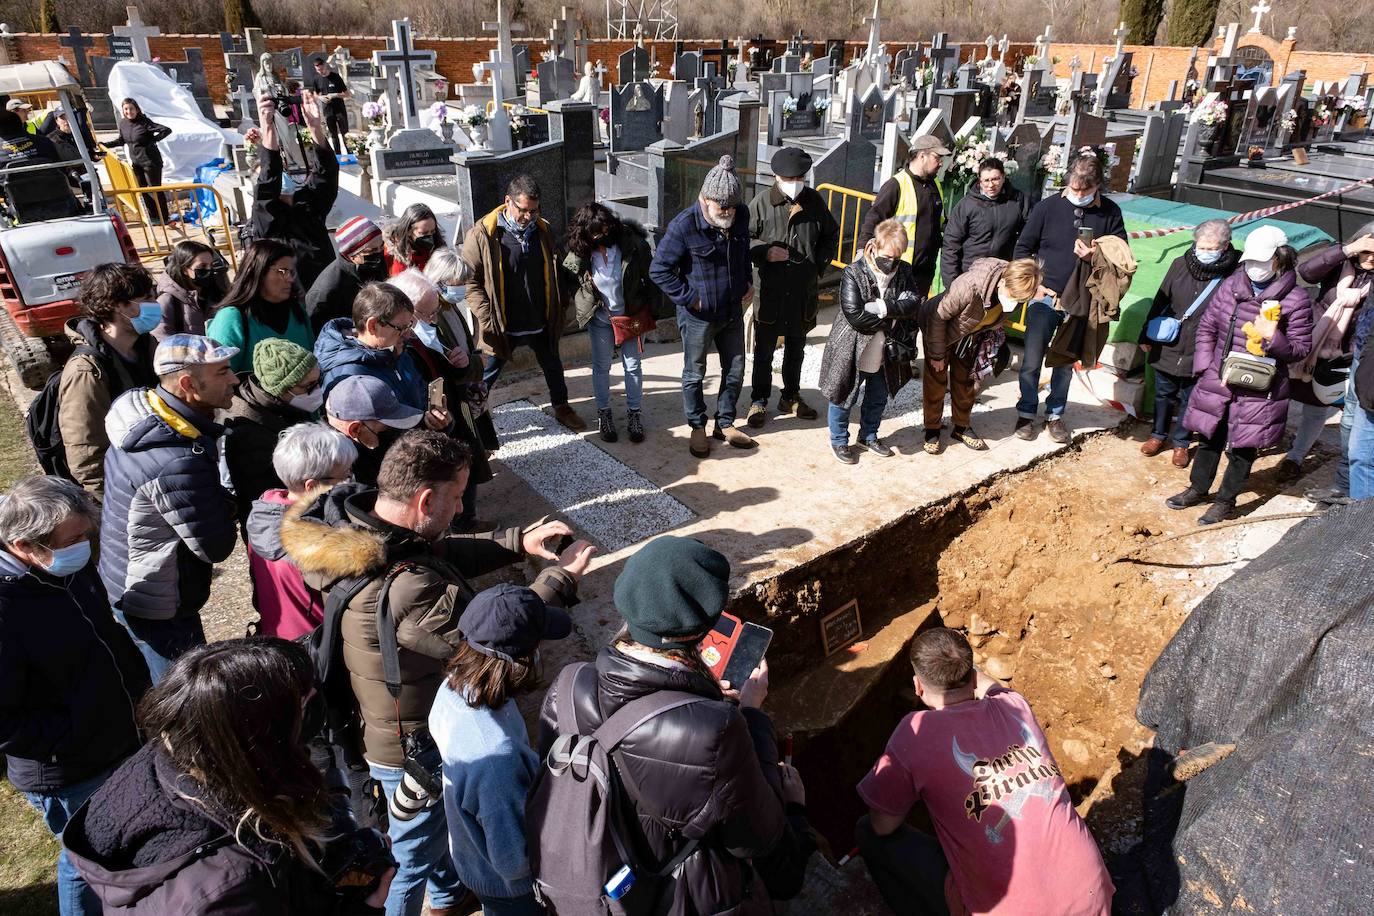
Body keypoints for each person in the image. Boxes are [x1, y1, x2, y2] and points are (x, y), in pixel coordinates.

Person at [280, 430, 593, 916]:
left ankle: (447, 898)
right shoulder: (412, 592)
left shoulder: (359, 528)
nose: (461, 506)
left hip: (390, 720)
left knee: (431, 836)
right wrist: (559, 580)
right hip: (415, 746)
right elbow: (491, 644)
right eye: (457, 496)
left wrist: (515, 543)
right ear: (425, 499)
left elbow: (434, 553)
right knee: (406, 861)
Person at [535, 536, 816, 914]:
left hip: (598, 875)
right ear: (702, 628)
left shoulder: (568, 683)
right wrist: (751, 713)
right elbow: (763, 848)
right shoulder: (715, 731)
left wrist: (697, 699)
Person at [63, 638, 397, 914]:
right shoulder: (232, 883)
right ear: (261, 739)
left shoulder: (168, 755)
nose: (313, 707)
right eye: (302, 704)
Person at [856, 627, 1114, 916]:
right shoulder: (1015, 706)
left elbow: (883, 825)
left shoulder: (913, 735)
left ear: (918, 686)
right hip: (1091, 897)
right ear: (973, 676)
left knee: (866, 830)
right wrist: (963, 669)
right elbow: (989, 686)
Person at [0, 476, 151, 916]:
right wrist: (75, 735)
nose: (84, 547)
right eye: (75, 538)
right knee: (86, 861)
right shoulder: (6, 610)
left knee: (120, 843)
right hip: (70, 768)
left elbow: (101, 632)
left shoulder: (63, 567)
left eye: (86, 534)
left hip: (115, 739)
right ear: (25, 545)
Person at [100, 334, 240, 681]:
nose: (234, 379)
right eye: (222, 372)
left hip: (125, 578)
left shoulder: (140, 417)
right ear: (189, 384)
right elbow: (216, 546)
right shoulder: (177, 459)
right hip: (159, 600)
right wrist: (228, 500)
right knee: (180, 696)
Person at [429, 584, 573, 916]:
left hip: (472, 856)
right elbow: (513, 860)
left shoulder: (453, 687)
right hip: (513, 891)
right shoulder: (497, 758)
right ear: (519, 659)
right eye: (538, 645)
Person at [1169, 225, 1313, 525]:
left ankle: (1225, 501)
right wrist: (1205, 366)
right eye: (1249, 262)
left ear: (1280, 260)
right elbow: (1208, 327)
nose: (1253, 269)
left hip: (1261, 386)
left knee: (1244, 445)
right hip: (1219, 377)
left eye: (1261, 262)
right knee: (1209, 434)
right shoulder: (1232, 285)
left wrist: (1273, 338)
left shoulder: (1296, 300)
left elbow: (1299, 350)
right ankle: (1198, 488)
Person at [1013, 148, 1128, 443]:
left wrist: (1095, 255)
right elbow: (1023, 248)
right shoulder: (1047, 208)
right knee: (1031, 360)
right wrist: (1033, 285)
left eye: (1084, 190)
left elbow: (1121, 254)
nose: (1078, 194)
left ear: (1096, 186)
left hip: (1081, 300)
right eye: (1073, 188)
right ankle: (1026, 413)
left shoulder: (1110, 212)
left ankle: (1055, 414)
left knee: (1064, 361)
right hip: (1045, 295)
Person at [650, 155, 757, 457]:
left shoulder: (740, 216)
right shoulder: (684, 226)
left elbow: (742, 251)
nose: (729, 213)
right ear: (705, 199)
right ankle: (698, 427)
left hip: (732, 310)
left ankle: (725, 423)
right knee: (694, 373)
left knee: (735, 368)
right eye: (723, 207)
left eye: (733, 207)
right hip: (697, 316)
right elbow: (658, 270)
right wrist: (689, 298)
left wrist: (747, 280)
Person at [462, 175, 586, 432]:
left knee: (553, 365)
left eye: (534, 210)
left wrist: (562, 301)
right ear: (508, 201)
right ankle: (469, 420)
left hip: (540, 320)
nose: (529, 216)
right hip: (502, 323)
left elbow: (557, 269)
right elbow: (469, 281)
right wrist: (488, 318)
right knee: (485, 376)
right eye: (523, 210)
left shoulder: (543, 231)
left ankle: (561, 407)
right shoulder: (483, 234)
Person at [389, 268, 495, 527]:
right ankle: (459, 523)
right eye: (429, 313)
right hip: (430, 421)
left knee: (463, 462)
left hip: (453, 408)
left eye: (436, 311)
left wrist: (462, 362)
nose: (435, 318)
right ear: (407, 312)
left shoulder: (432, 319)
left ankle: (464, 517)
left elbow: (456, 363)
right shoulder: (398, 341)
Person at [746, 146, 839, 428]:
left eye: (800, 176)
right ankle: (759, 400)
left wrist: (816, 266)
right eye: (790, 177)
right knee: (764, 351)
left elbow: (830, 236)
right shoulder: (761, 203)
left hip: (802, 291)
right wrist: (764, 252)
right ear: (776, 176)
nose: (795, 182)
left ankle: (791, 395)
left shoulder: (814, 202)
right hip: (770, 291)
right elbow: (743, 240)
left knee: (796, 348)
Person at [1137, 219, 1240, 468]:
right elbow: (1161, 299)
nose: (1204, 252)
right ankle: (1158, 434)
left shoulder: (1234, 273)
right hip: (1170, 342)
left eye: (1211, 247)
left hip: (1204, 347)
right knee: (1163, 393)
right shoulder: (1180, 264)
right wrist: (1145, 334)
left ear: (1225, 246)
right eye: (1201, 247)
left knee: (1190, 396)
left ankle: (1181, 442)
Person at [819, 219, 923, 465]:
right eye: (888, 256)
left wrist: (883, 307)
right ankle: (839, 440)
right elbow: (854, 315)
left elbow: (913, 302)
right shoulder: (853, 272)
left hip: (885, 349)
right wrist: (892, 318)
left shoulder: (905, 271)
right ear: (874, 247)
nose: (892, 263)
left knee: (878, 395)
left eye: (897, 258)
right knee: (844, 394)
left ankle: (868, 435)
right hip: (852, 346)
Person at [57, 262, 159, 500]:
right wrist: (119, 505)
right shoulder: (86, 371)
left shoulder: (147, 346)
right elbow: (86, 455)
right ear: (116, 306)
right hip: (128, 496)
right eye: (146, 299)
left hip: (154, 481)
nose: (155, 305)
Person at [246, 423, 357, 640]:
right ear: (312, 486)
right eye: (345, 476)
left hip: (278, 639)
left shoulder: (264, 513)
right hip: (316, 649)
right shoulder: (317, 541)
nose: (352, 481)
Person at [924, 257, 1042, 454]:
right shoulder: (969, 286)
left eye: (1019, 300)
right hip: (939, 328)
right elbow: (939, 317)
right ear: (1003, 281)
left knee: (965, 381)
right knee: (936, 380)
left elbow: (995, 316)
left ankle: (961, 427)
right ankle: (932, 429)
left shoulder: (1020, 291)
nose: (1014, 302)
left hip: (970, 333)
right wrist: (937, 355)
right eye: (1011, 296)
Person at [563, 202, 656, 443]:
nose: (601, 236)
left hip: (631, 316)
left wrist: (652, 309)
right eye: (594, 233)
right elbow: (568, 276)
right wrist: (584, 298)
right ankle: (604, 414)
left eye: (604, 230)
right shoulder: (582, 251)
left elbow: (651, 276)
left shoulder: (631, 244)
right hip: (601, 318)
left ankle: (634, 414)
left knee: (633, 365)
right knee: (601, 366)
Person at [1294, 225, 1374, 502]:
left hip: (1353, 357)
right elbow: (1306, 272)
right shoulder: (1342, 266)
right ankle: (1343, 483)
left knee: (1350, 423)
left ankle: (1350, 488)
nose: (1370, 257)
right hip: (1315, 349)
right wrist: (1347, 251)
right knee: (1345, 423)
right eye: (1366, 250)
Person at [222, 338, 323, 525]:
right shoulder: (249, 434)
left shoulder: (288, 407)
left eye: (319, 380)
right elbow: (262, 498)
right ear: (280, 388)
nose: (317, 390)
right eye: (308, 386)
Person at [247, 94, 339, 291]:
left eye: (283, 173)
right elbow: (268, 182)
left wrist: (315, 128)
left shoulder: (307, 206)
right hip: (291, 299)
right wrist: (268, 128)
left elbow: (326, 174)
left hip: (326, 293)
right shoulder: (266, 219)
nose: (281, 178)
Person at [857, 135, 950, 297]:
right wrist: (861, 252)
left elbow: (941, 222)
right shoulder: (896, 185)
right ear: (922, 156)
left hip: (925, 271)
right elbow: (874, 219)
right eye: (937, 157)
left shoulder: (935, 185)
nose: (940, 163)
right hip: (897, 270)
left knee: (913, 317)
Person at [207, 237, 315, 372]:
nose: (290, 279)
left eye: (292, 272)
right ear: (258, 271)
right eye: (282, 272)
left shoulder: (296, 310)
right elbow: (219, 375)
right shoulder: (232, 317)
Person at [939, 157, 1027, 286]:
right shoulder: (967, 205)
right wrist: (951, 283)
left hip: (1001, 274)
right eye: (986, 180)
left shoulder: (1018, 201)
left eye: (995, 179)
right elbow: (951, 244)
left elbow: (1029, 233)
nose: (991, 185)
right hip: (969, 274)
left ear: (1003, 177)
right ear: (979, 181)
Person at [324, 374, 423, 486]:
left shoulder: (366, 444)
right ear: (355, 430)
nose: (394, 433)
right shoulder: (339, 476)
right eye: (386, 429)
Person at [306, 215, 389, 333]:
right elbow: (320, 332)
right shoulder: (327, 289)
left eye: (381, 247)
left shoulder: (374, 264)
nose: (379, 254)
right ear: (350, 254)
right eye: (372, 251)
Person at [0, 107, 82, 222]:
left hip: (22, 213)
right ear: (20, 124)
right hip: (62, 203)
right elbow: (65, 168)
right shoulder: (45, 142)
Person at [106, 98, 171, 224]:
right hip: (136, 162)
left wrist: (152, 141)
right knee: (140, 189)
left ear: (136, 109)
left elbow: (166, 130)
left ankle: (164, 217)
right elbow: (121, 140)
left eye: (131, 108)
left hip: (151, 162)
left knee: (155, 189)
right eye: (126, 109)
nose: (129, 111)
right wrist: (105, 145)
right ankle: (154, 214)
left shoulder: (144, 122)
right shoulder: (123, 123)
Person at [154, 239, 224, 339]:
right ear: (185, 269)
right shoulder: (168, 302)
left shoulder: (215, 293)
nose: (209, 270)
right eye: (203, 266)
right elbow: (163, 341)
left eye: (211, 265)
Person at [385, 203, 447, 277]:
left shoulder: (439, 247)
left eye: (433, 231)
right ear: (408, 231)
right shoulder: (397, 255)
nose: (430, 236)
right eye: (424, 233)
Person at [308, 56, 351, 153]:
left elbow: (347, 94)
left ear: (325, 66)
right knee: (333, 134)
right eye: (318, 70)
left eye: (321, 69)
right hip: (327, 110)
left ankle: (350, 153)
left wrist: (335, 95)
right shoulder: (316, 79)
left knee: (344, 132)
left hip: (339, 109)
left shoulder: (335, 77)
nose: (321, 72)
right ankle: (338, 155)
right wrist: (320, 97)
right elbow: (315, 94)